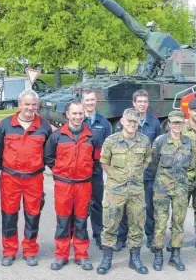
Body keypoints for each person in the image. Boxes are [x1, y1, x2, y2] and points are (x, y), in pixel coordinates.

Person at [0, 89, 52, 267]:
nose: (30, 108)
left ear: (38, 106)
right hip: (10, 178)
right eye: (26, 104)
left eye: (34, 105)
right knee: (9, 215)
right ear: (19, 104)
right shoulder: (5, 125)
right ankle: (9, 251)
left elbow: (48, 152)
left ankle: (29, 250)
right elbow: (0, 150)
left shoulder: (44, 127)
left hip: (34, 179)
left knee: (33, 215)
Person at [44, 100, 98, 271]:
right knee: (63, 221)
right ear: (67, 114)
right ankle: (61, 255)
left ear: (84, 115)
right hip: (64, 185)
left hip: (84, 185)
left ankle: (82, 255)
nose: (77, 117)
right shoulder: (57, 135)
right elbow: (48, 157)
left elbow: (96, 159)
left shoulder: (92, 136)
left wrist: (84, 171)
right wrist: (60, 171)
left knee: (81, 221)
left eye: (80, 113)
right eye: (74, 113)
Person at [97, 108, 152, 275]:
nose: (132, 124)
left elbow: (146, 161)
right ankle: (106, 259)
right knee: (110, 224)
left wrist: (134, 175)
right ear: (122, 121)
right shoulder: (111, 141)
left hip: (136, 191)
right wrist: (116, 177)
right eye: (129, 121)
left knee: (137, 225)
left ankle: (134, 259)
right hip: (115, 190)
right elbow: (104, 162)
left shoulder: (144, 141)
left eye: (135, 121)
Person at [115, 89, 161, 252]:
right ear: (134, 103)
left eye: (145, 102)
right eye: (139, 101)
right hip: (126, 176)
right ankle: (121, 238)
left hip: (147, 175)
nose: (142, 104)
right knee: (124, 208)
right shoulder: (124, 123)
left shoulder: (154, 123)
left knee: (148, 207)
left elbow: (156, 151)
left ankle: (150, 236)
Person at [166, 97, 196, 252]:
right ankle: (174, 240)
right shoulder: (181, 129)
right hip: (184, 177)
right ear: (189, 111)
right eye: (195, 110)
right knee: (179, 209)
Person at [151, 111, 193, 272]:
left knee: (178, 223)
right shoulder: (160, 141)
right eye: (174, 123)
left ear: (183, 124)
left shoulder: (188, 142)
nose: (177, 126)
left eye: (179, 123)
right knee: (160, 223)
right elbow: (154, 163)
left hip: (181, 189)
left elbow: (191, 163)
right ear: (169, 124)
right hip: (162, 188)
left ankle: (175, 255)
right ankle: (158, 254)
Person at [82, 89, 112, 250]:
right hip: (79, 172)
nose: (90, 102)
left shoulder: (104, 123)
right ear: (82, 102)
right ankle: (79, 235)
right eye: (87, 100)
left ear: (96, 102)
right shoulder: (78, 120)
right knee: (79, 205)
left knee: (96, 205)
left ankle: (98, 234)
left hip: (96, 171)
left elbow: (108, 148)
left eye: (92, 100)